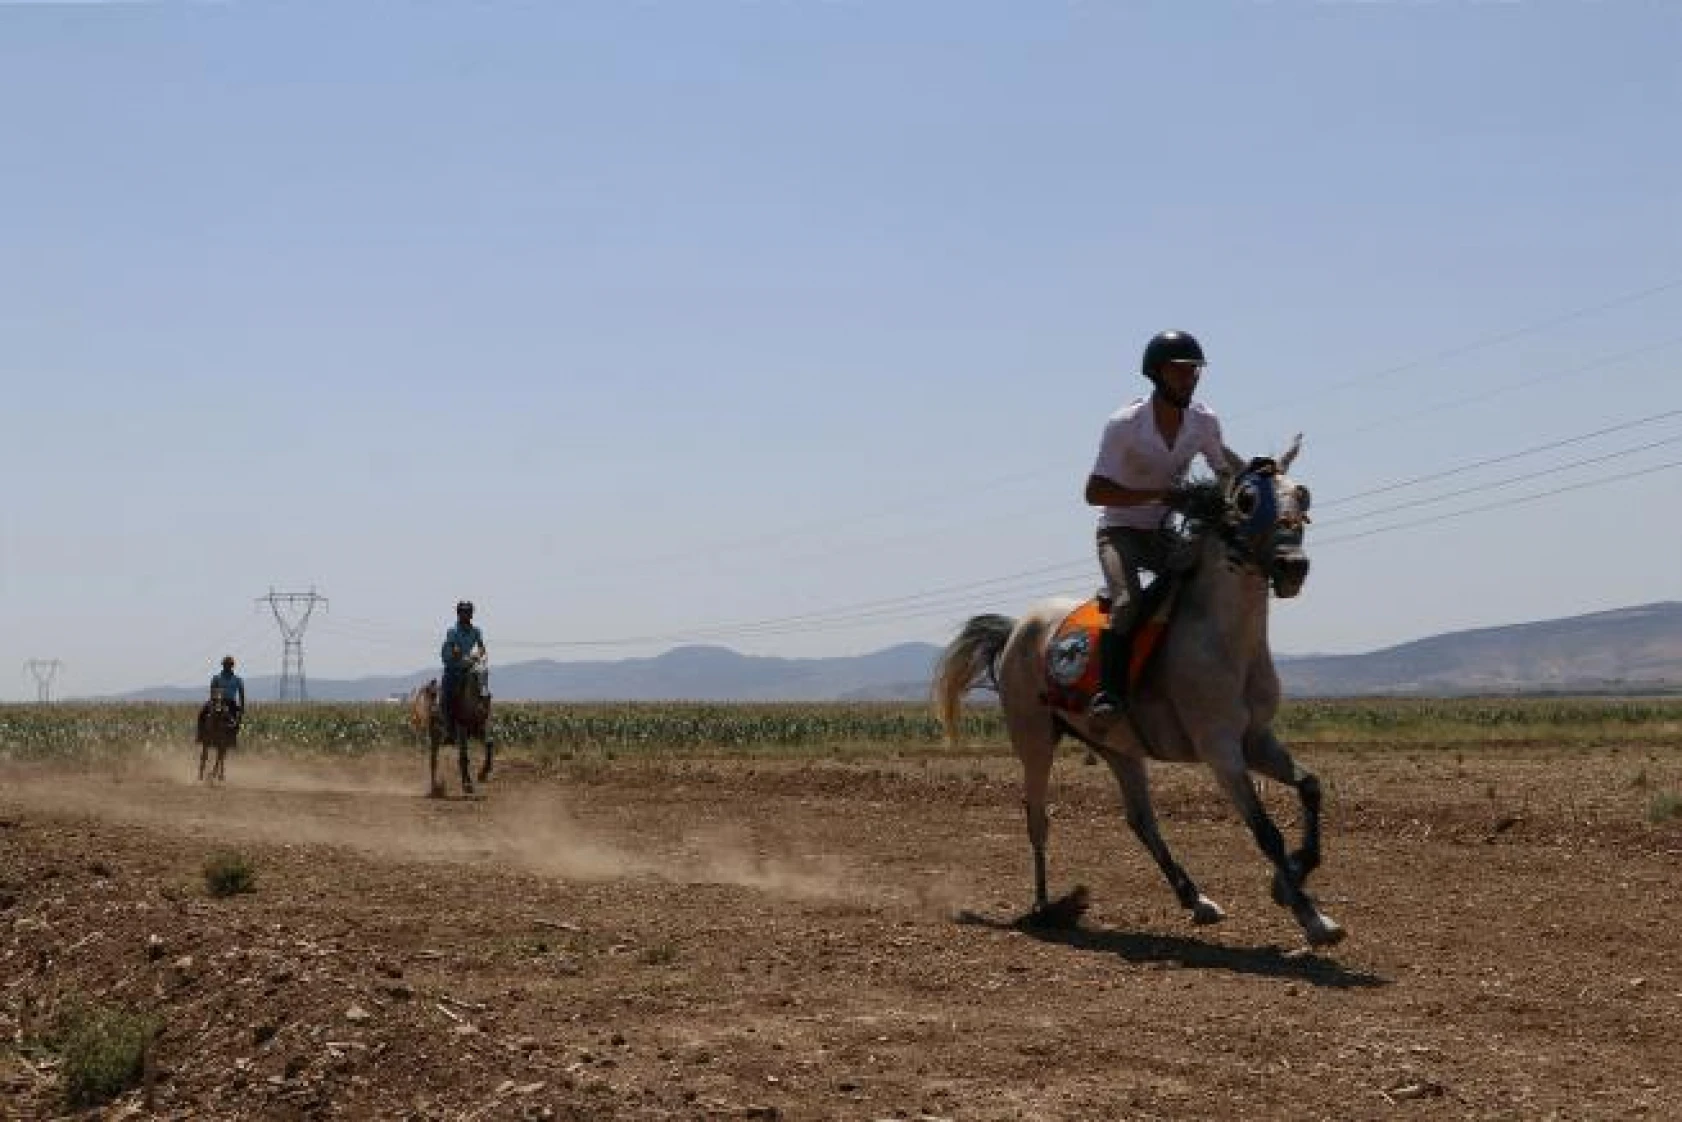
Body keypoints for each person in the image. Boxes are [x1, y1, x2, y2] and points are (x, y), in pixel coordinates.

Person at [1084, 330, 1242, 723]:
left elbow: (1224, 468)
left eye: (1194, 372)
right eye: (1179, 372)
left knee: (1201, 588)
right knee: (1126, 603)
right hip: (1119, 531)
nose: (1189, 379)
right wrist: (1160, 496)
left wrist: (1252, 479)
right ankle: (1110, 694)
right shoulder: (1124, 424)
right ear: (1156, 374)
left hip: (1161, 532)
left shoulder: (1204, 421)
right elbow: (1094, 492)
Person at [439, 600, 487, 730]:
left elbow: (482, 648)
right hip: (453, 666)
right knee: (448, 694)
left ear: (471, 614)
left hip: (468, 665)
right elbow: (454, 649)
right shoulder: (452, 631)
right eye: (463, 613)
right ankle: (448, 725)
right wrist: (461, 655)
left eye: (468, 612)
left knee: (482, 673)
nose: (465, 615)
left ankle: (483, 705)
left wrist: (478, 654)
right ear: (458, 614)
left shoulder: (476, 631)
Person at [199, 655, 245, 736]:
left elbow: (241, 694)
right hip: (217, 700)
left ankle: (233, 737)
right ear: (223, 666)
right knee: (202, 714)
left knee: (237, 720)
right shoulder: (217, 678)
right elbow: (212, 690)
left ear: (232, 666)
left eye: (229, 665)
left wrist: (242, 707)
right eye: (226, 665)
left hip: (231, 702)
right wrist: (214, 699)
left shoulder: (237, 679)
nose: (227, 667)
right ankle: (201, 734)